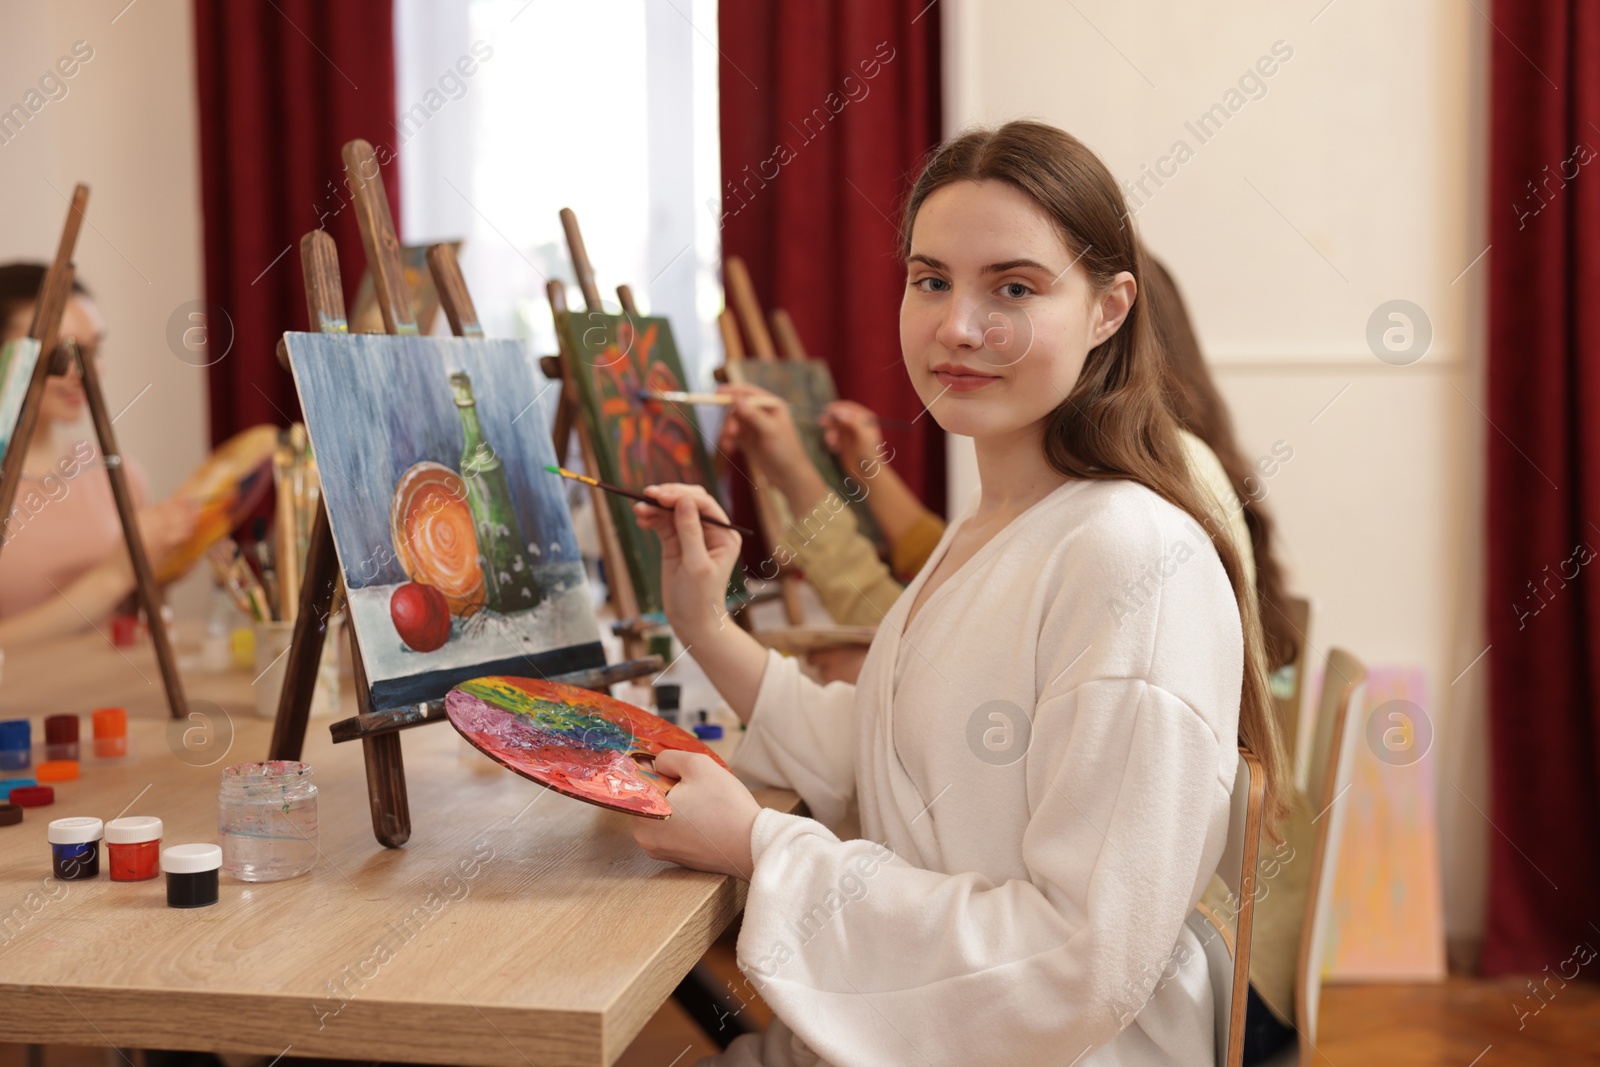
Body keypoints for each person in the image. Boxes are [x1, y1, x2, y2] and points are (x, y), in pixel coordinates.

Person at [628, 121, 1287, 1066]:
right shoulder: (996, 526)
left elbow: (1078, 964)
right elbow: (889, 757)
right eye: (931, 279)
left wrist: (762, 846)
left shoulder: (1131, 558)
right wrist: (701, 618)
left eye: (1013, 287)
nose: (957, 327)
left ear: (1109, 308)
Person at [0, 263, 197, 644]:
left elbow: (137, 628)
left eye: (92, 352)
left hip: (115, 700)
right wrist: (115, 575)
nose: (84, 372)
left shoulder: (118, 476)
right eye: (60, 352)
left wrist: (161, 571)